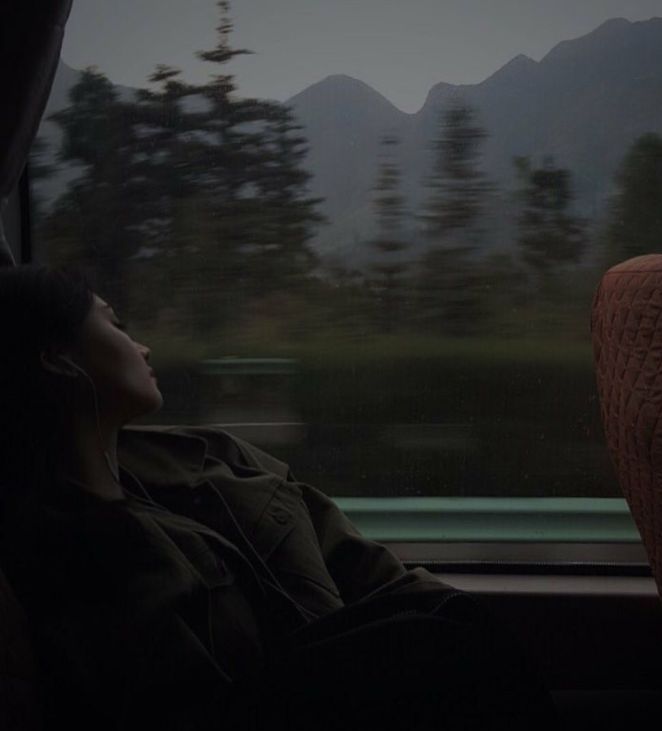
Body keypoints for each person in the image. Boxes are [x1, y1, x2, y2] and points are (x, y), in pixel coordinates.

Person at [0, 265, 558, 731]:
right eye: (115, 325)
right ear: (58, 358)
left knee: (452, 631)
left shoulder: (216, 461)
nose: (142, 346)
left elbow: (359, 564)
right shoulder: (63, 553)